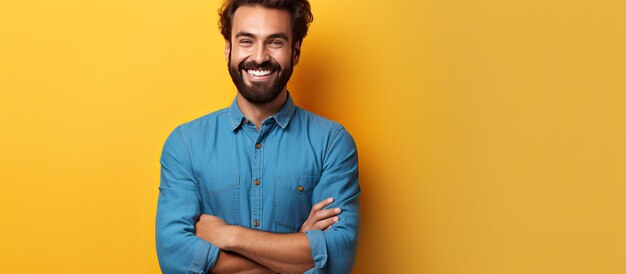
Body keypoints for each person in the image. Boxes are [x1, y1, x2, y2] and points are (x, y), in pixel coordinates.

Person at [155, 1, 361, 273]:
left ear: (295, 51)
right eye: (246, 41)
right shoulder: (185, 144)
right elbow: (174, 260)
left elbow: (337, 258)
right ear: (228, 49)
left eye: (275, 42)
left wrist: (228, 236)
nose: (260, 56)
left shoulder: (332, 143)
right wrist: (299, 249)